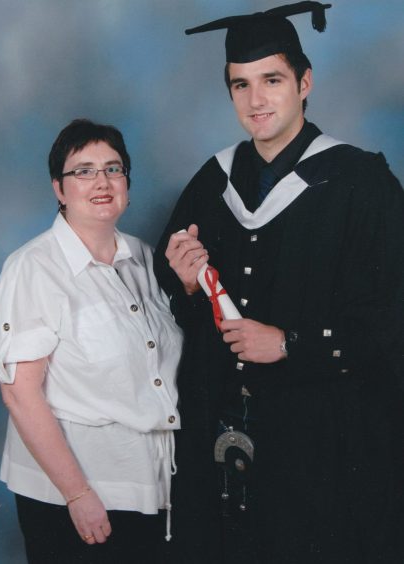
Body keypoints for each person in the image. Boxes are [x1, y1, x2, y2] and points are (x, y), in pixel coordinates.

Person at [154, 3, 404, 563]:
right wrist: (187, 283)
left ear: (304, 82)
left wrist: (290, 343)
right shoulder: (214, 179)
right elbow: (174, 296)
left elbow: (393, 315)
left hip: (324, 442)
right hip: (224, 429)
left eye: (272, 80)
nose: (256, 100)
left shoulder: (360, 182)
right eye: (239, 85)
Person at [0, 118, 183, 564]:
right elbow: (20, 395)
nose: (102, 182)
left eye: (114, 169)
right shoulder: (33, 268)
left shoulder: (143, 260)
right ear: (59, 188)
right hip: (75, 495)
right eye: (84, 170)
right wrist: (77, 494)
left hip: (149, 487)